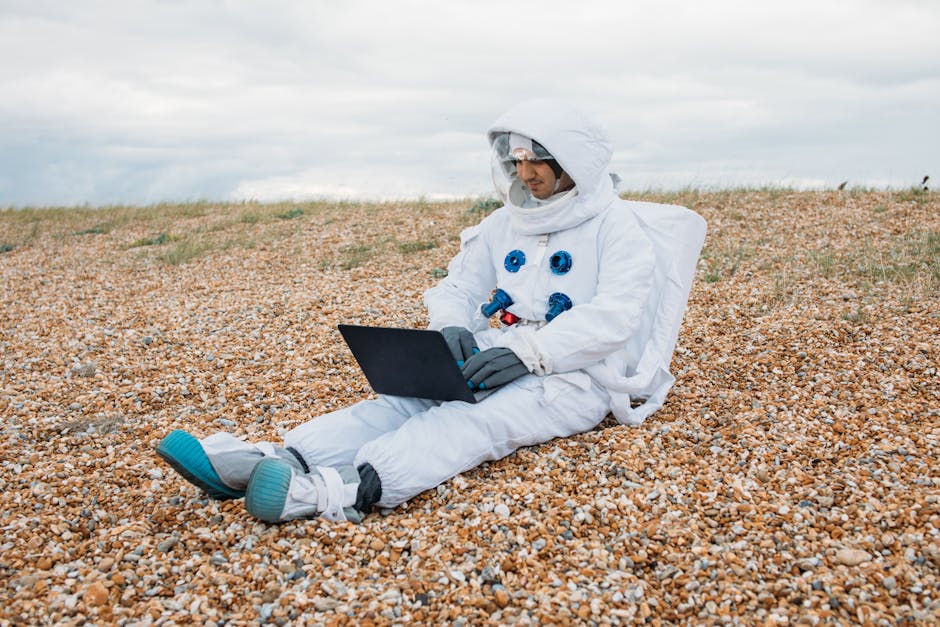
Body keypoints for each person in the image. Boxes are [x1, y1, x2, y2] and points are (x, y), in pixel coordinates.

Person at [156, 98, 707, 524]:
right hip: (502, 352)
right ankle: (279, 458)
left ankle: (341, 490)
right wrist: (450, 327)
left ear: (573, 160)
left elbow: (616, 317)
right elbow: (458, 285)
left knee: (473, 421)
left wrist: (532, 354)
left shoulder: (617, 230)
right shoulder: (505, 223)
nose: (525, 170)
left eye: (535, 157)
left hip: (581, 376)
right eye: (516, 158)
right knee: (404, 398)